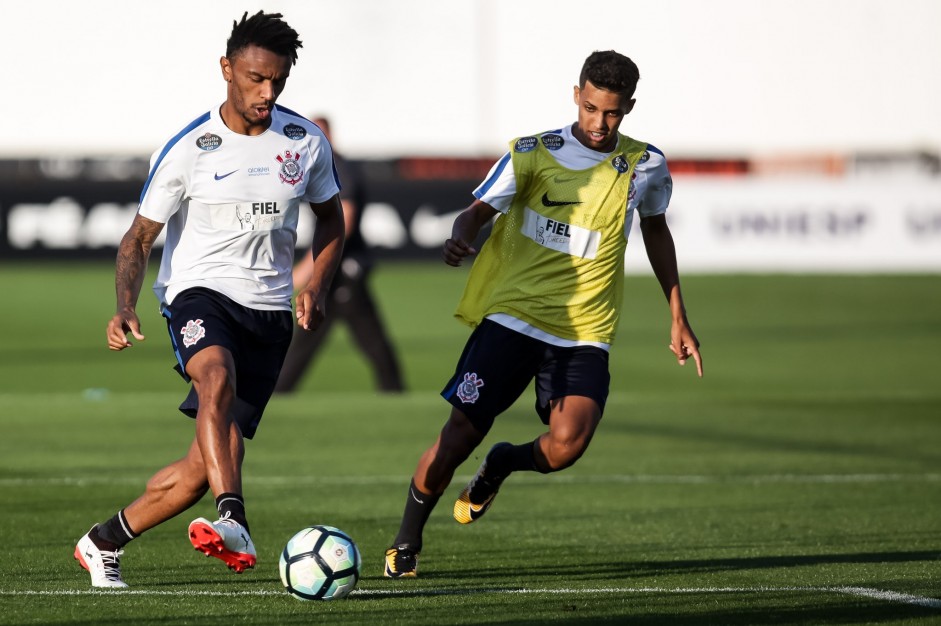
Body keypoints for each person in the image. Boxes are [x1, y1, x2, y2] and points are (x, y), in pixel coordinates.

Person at [383, 50, 703, 578]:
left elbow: (656, 231)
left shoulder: (645, 165)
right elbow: (477, 211)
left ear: (629, 108)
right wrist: (461, 238)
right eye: (594, 108)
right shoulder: (532, 153)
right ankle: (406, 540)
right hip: (513, 318)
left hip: (584, 330)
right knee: (459, 434)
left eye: (614, 113)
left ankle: (504, 462)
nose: (601, 124)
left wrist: (678, 314)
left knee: (567, 446)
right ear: (577, 94)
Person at [74, 11, 345, 588]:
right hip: (199, 293)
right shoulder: (189, 149)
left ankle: (103, 541)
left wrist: (316, 284)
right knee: (214, 378)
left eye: (277, 80)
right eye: (254, 78)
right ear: (227, 69)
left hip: (270, 312)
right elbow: (138, 237)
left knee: (200, 469)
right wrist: (125, 304)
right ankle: (235, 519)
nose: (266, 93)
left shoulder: (305, 142)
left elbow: (331, 221)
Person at [274, 116, 405, 394]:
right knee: (313, 335)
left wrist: (305, 270)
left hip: (344, 270)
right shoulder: (322, 166)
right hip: (335, 273)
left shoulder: (339, 168)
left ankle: (395, 392)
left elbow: (344, 220)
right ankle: (394, 391)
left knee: (369, 338)